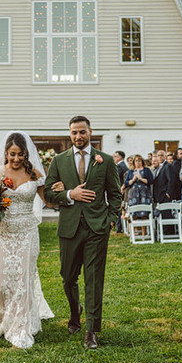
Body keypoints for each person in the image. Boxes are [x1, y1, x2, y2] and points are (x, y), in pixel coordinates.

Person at [45, 116, 122, 350]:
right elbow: (48, 194)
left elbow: (115, 194)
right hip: (69, 228)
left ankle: (91, 331)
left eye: (82, 132)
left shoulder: (106, 160)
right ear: (69, 135)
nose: (78, 137)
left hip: (97, 228)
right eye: (73, 133)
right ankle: (75, 311)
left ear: (90, 132)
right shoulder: (58, 161)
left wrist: (111, 219)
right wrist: (70, 195)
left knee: (94, 280)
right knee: (68, 277)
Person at [0, 131, 57, 349]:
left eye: (20, 154)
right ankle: (0, 319)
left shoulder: (35, 174)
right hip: (2, 233)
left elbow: (48, 201)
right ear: (6, 153)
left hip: (27, 232)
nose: (16, 159)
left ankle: (20, 326)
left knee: (23, 279)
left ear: (26, 154)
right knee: (2, 279)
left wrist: (61, 192)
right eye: (12, 154)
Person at [124, 155, 154, 220]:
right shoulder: (131, 171)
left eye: (139, 161)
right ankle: (134, 229)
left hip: (144, 194)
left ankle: (144, 230)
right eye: (136, 161)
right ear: (134, 162)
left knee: (144, 213)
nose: (138, 162)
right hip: (133, 195)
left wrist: (141, 179)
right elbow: (126, 183)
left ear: (142, 162)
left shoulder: (147, 170)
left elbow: (151, 180)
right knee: (134, 212)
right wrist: (133, 180)